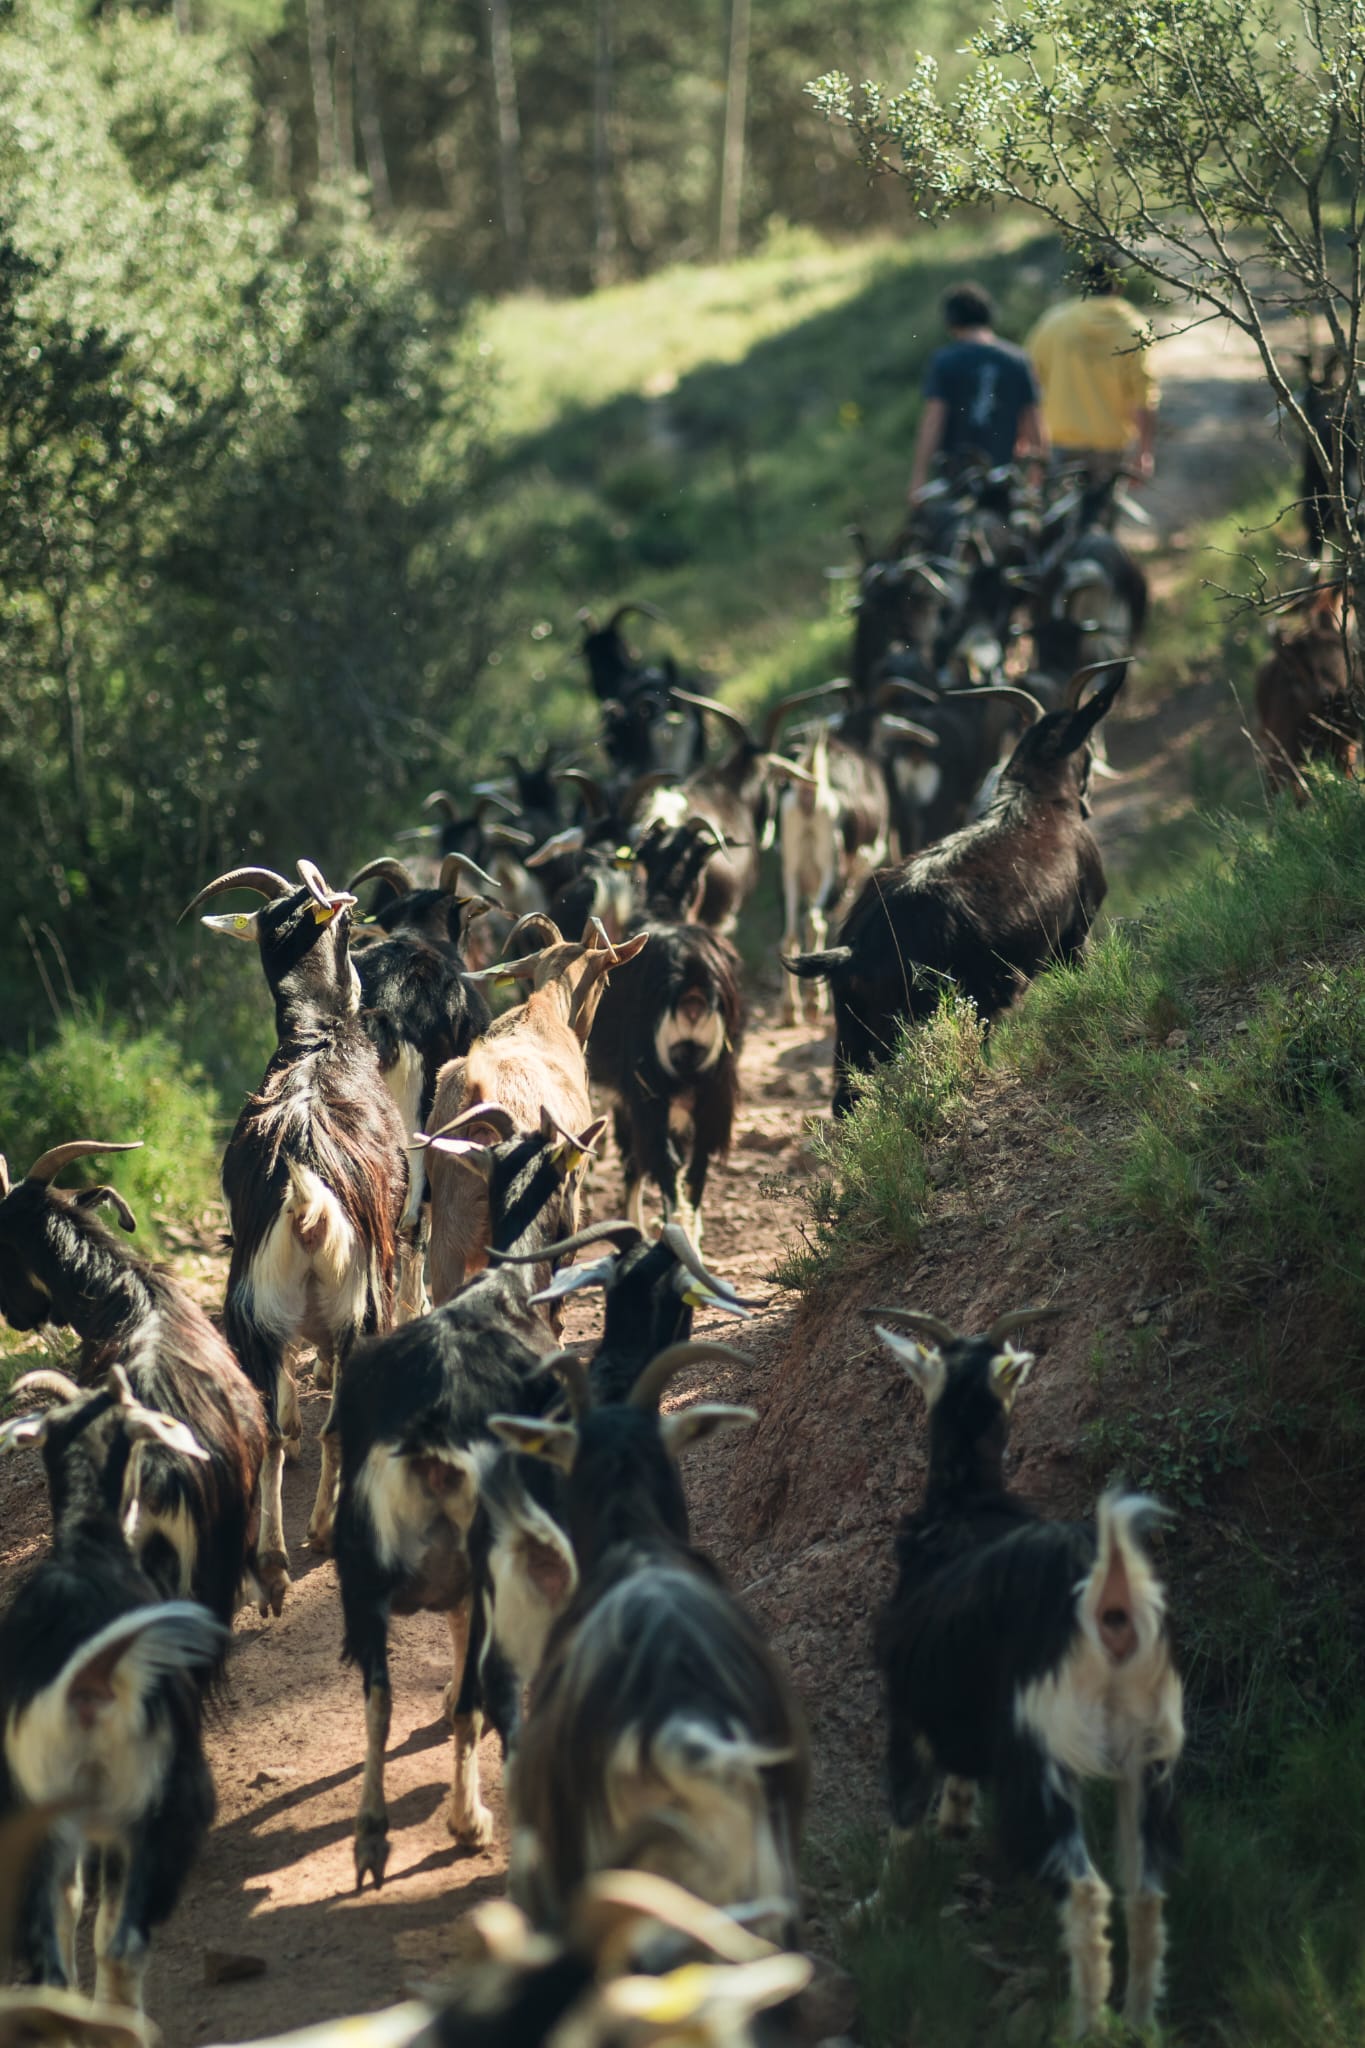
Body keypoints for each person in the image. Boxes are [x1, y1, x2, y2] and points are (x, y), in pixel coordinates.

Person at [908, 283, 1046, 503]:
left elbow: (933, 420)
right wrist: (1038, 471)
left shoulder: (945, 361)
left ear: (951, 322)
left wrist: (919, 476)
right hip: (1003, 479)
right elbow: (1033, 422)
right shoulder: (1017, 360)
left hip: (956, 480)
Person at [1027, 258, 1158, 483]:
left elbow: (1030, 383)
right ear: (1119, 284)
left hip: (1060, 439)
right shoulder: (1135, 329)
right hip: (1111, 444)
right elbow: (1143, 397)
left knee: (1056, 513)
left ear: (1084, 283)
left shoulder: (1054, 322)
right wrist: (1143, 453)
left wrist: (1030, 443)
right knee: (1100, 513)